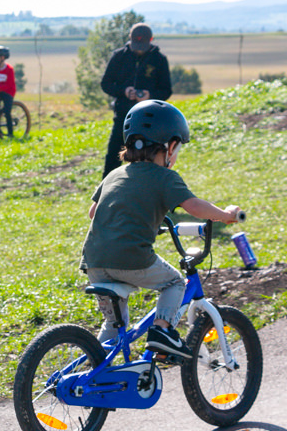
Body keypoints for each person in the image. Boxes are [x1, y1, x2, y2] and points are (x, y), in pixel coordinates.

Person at [79, 100, 241, 357]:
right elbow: (195, 207)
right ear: (170, 146)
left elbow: (93, 213)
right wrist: (225, 215)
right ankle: (162, 332)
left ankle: (97, 371)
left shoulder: (114, 174)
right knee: (175, 282)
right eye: (178, 150)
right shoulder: (165, 177)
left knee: (113, 323)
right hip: (131, 258)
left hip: (94, 261)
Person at [100, 23, 172, 178]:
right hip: (123, 116)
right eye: (136, 44)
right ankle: (104, 193)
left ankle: (147, 189)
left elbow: (166, 90)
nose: (139, 48)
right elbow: (105, 84)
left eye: (142, 45)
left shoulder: (159, 60)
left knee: (148, 157)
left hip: (150, 120)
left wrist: (150, 95)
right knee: (113, 156)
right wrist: (124, 91)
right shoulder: (119, 56)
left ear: (151, 40)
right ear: (129, 39)